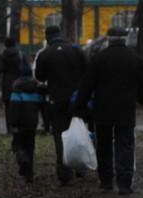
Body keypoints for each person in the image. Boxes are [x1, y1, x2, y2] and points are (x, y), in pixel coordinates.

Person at [74, 26, 143, 195]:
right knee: (125, 145)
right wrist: (141, 99)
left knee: (104, 145)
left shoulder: (99, 58)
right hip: (126, 109)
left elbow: (87, 85)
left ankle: (106, 181)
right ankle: (124, 183)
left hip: (103, 109)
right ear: (125, 39)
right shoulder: (136, 59)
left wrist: (79, 107)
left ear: (108, 39)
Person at [35, 24, 87, 186]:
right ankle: (80, 166)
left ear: (47, 37)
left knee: (60, 135)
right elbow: (87, 69)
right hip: (76, 99)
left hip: (56, 99)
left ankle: (64, 171)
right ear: (61, 34)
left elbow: (40, 76)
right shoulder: (76, 50)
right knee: (79, 132)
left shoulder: (45, 54)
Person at [9, 67, 43, 183]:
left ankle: (23, 159)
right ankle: (29, 174)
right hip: (32, 124)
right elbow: (42, 105)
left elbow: (14, 108)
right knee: (30, 146)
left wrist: (13, 124)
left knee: (17, 145)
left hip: (20, 124)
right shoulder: (37, 89)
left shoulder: (17, 89)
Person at [0, 36, 28, 134]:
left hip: (7, 83)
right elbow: (26, 69)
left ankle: (9, 128)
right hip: (19, 82)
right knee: (20, 105)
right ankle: (19, 127)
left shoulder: (2, 55)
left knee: (8, 107)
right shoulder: (20, 55)